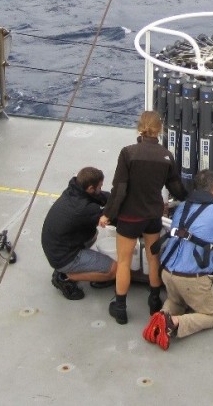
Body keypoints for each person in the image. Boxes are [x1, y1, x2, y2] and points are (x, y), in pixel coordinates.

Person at [142, 169, 213, 350]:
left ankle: (161, 319)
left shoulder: (182, 207)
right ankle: (173, 323)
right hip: (191, 279)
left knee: (176, 301)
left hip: (167, 272)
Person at [99, 111, 188, 325]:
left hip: (130, 216)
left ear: (140, 128)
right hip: (152, 215)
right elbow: (176, 187)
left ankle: (120, 308)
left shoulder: (128, 153)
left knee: (124, 261)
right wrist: (192, 199)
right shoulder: (166, 156)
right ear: (160, 130)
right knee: (153, 258)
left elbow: (119, 189)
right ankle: (154, 301)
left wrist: (108, 214)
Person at [41, 167, 117, 300]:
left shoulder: (74, 189)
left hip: (56, 247)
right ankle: (64, 276)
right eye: (99, 186)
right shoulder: (83, 209)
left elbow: (101, 196)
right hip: (63, 256)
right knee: (115, 269)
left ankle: (70, 267)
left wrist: (117, 198)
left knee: (93, 235)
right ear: (90, 188)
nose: (101, 188)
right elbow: (112, 218)